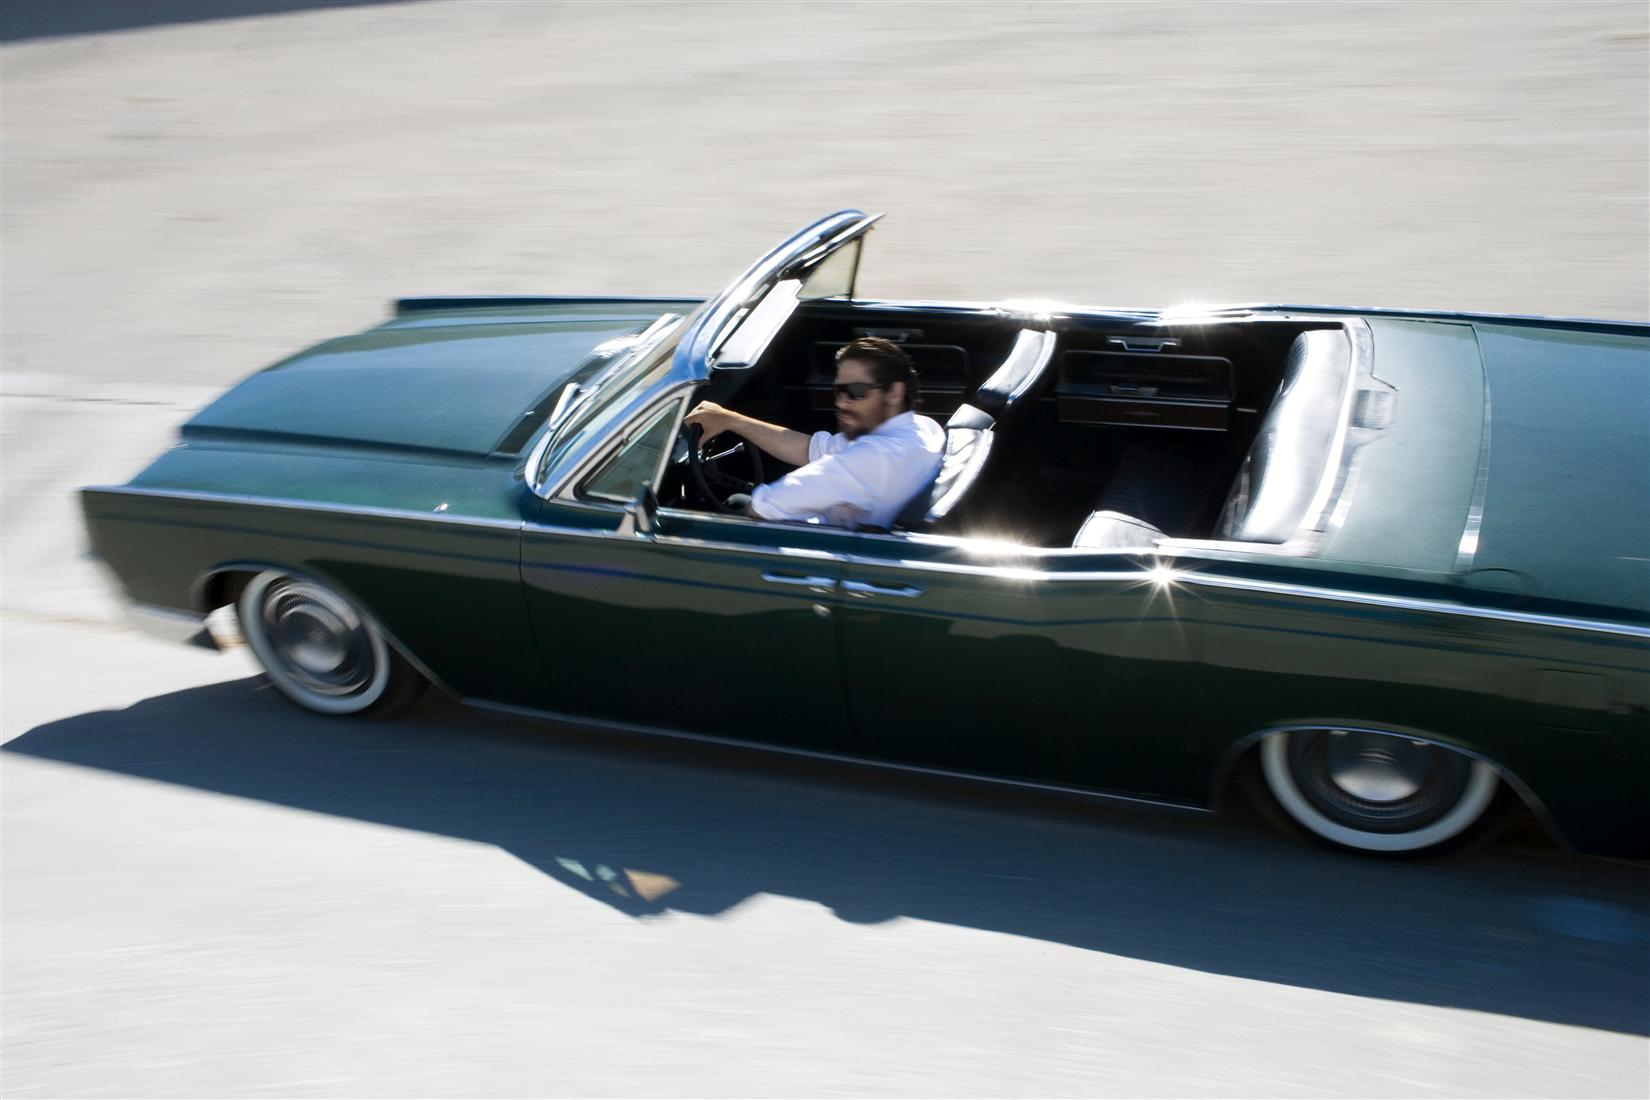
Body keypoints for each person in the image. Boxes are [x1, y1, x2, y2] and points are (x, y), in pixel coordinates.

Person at [684, 336, 945, 529]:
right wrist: (731, 420)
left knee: (733, 505)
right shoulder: (921, 428)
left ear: (895, 393)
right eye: (839, 390)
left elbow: (764, 507)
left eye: (856, 392)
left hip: (827, 553)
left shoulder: (870, 459)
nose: (841, 403)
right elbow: (811, 449)